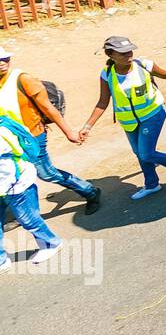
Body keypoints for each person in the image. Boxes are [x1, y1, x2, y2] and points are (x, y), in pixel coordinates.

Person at [79, 36, 166, 201]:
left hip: (153, 114)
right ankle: (152, 184)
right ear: (111, 55)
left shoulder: (143, 64)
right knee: (139, 152)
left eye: (130, 50)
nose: (128, 54)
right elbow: (103, 102)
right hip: (129, 122)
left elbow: (165, 74)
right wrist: (87, 127)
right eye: (122, 53)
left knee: (146, 153)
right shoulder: (107, 74)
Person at [0, 47, 100, 213]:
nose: (2, 63)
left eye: (5, 58)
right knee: (12, 175)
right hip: (9, 140)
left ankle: (90, 191)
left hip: (33, 136)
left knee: (46, 173)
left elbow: (48, 108)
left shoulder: (23, 79)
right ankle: (25, 213)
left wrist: (69, 133)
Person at [0, 115, 62, 269]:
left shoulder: (3, 131)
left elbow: (8, 164)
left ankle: (51, 244)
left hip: (18, 186)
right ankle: (1, 259)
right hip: (7, 186)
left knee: (29, 220)